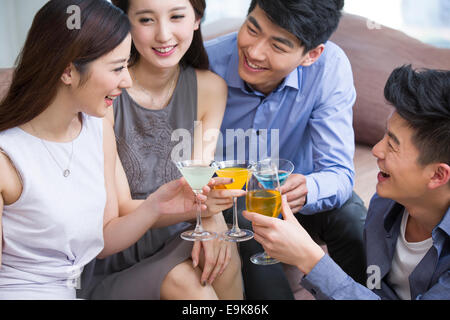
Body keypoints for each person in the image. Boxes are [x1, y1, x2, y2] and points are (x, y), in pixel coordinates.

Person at [0, 0, 210, 300]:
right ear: (68, 71)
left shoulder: (95, 127)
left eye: (126, 65)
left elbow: (104, 239)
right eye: (117, 68)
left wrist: (155, 206)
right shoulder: (7, 158)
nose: (127, 80)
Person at [77, 0, 243, 300]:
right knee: (188, 284)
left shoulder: (210, 88)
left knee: (223, 249)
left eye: (177, 16)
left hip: (177, 237)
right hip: (116, 257)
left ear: (197, 18)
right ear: (125, 22)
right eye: (146, 19)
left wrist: (211, 215)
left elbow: (198, 181)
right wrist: (200, 208)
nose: (164, 35)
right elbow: (119, 210)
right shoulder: (106, 92)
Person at [205, 0, 367, 299]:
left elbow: (340, 173)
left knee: (350, 215)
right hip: (230, 197)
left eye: (278, 46)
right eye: (252, 29)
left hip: (295, 199)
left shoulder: (328, 67)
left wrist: (310, 187)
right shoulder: (206, 63)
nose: (254, 52)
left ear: (312, 54)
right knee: (248, 216)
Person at [244, 65, 450, 299]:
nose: (376, 150)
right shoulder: (386, 205)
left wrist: (311, 259)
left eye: (392, 145)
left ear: (437, 175)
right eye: (384, 136)